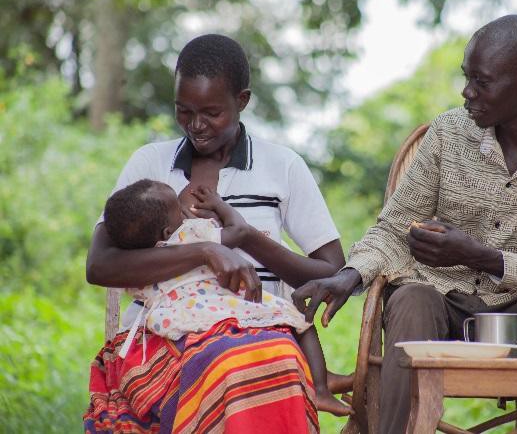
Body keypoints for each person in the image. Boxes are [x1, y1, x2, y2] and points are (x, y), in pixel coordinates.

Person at [292, 14, 517, 434]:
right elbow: (395, 229)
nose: (467, 92)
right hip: (443, 306)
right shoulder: (448, 134)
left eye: (482, 82)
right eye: (467, 78)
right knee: (410, 299)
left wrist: (485, 258)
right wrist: (349, 275)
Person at [84, 33, 349, 433]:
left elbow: (330, 271)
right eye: (183, 111)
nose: (196, 125)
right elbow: (100, 265)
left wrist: (246, 239)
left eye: (211, 112)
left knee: (261, 361)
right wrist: (204, 250)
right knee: (231, 367)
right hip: (161, 339)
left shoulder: (283, 166)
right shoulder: (151, 163)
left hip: (257, 334)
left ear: (241, 101)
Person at [101, 178, 350, 416]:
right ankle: (320, 387)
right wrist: (220, 207)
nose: (183, 207)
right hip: (223, 308)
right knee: (298, 319)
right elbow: (237, 230)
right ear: (168, 229)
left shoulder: (142, 259)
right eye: (177, 208)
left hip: (176, 323)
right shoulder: (194, 235)